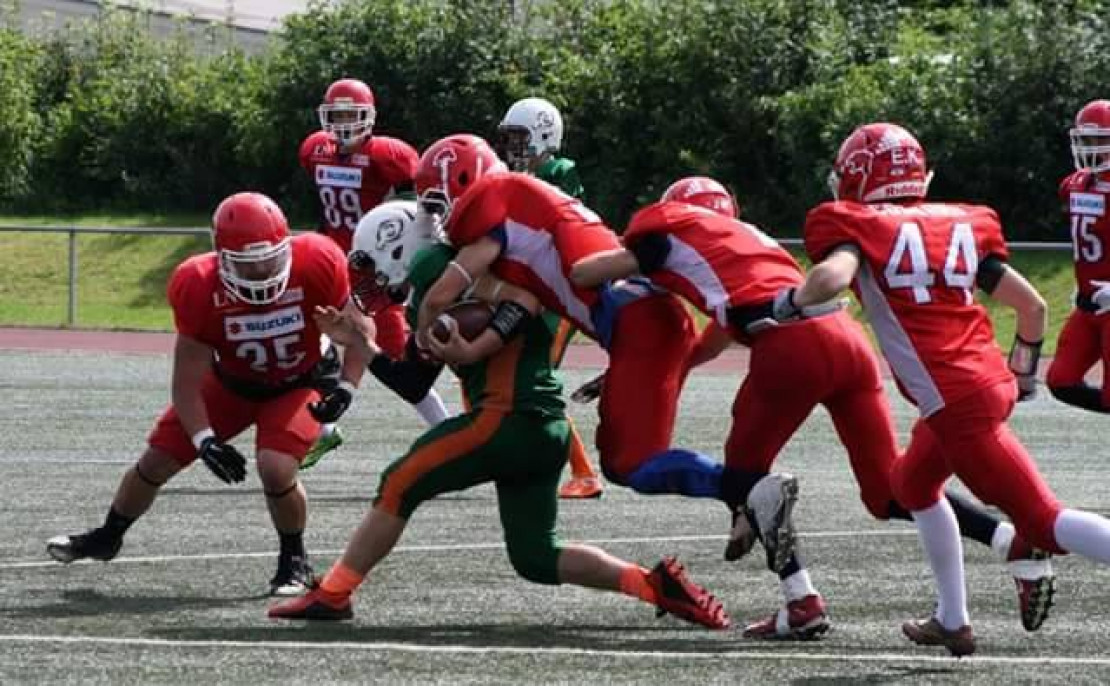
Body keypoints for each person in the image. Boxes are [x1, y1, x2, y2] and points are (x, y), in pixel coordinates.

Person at [569, 175, 1055, 639]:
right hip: (848, 343)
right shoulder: (751, 246)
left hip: (792, 346)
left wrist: (629, 274)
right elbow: (710, 342)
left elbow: (586, 273)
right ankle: (1006, 538)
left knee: (750, 479)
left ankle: (801, 599)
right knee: (889, 490)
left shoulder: (667, 234)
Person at [267, 202, 729, 630]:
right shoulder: (491, 267)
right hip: (546, 429)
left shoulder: (438, 274)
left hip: (505, 419)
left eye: (372, 262)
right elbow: (414, 381)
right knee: (535, 556)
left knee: (399, 482)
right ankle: (652, 584)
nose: (370, 277)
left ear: (399, 246)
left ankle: (333, 594)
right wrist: (361, 344)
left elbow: (423, 370)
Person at [790, 122, 1110, 656]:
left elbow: (829, 280)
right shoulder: (958, 221)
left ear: (859, 177)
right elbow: (1032, 308)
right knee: (910, 483)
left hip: (957, 401)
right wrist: (1023, 374)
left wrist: (789, 303)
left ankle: (1021, 556)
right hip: (983, 382)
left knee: (1043, 521)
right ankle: (952, 619)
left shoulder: (853, 225)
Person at [46, 192, 369, 595]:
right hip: (231, 383)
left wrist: (346, 388)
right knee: (157, 460)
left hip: (300, 380)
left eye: (269, 259)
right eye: (247, 264)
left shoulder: (317, 259)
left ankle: (294, 560)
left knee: (275, 466)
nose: (261, 271)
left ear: (286, 247)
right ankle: (108, 536)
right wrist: (205, 441)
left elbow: (361, 331)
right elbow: (186, 382)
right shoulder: (198, 284)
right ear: (221, 258)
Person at [412, 135, 720, 517]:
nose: (436, 217)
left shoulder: (493, 206)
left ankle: (743, 487)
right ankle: (745, 494)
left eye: (437, 203)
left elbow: (438, 297)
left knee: (630, 464)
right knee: (622, 459)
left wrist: (422, 341)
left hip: (638, 324)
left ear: (462, 181)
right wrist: (474, 349)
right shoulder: (519, 213)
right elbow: (523, 301)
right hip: (642, 323)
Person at [298, 77, 448, 468]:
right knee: (310, 339)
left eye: (352, 114)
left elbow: (418, 209)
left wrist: (405, 260)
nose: (344, 123)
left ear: (369, 116)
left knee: (398, 365)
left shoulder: (387, 154)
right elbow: (325, 210)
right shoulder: (316, 150)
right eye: (337, 115)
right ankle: (325, 429)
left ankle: (448, 431)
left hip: (374, 267)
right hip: (334, 262)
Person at [495, 97, 602, 499]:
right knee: (518, 380)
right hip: (538, 289)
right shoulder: (515, 175)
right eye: (509, 139)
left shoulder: (559, 173)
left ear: (544, 136)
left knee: (537, 381)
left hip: (560, 294)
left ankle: (584, 472)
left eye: (520, 139)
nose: (513, 148)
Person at [1047, 99, 1110, 412]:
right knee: (1062, 381)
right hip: (1088, 304)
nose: (1092, 147)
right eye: (1087, 139)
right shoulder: (1074, 185)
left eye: (1100, 139)